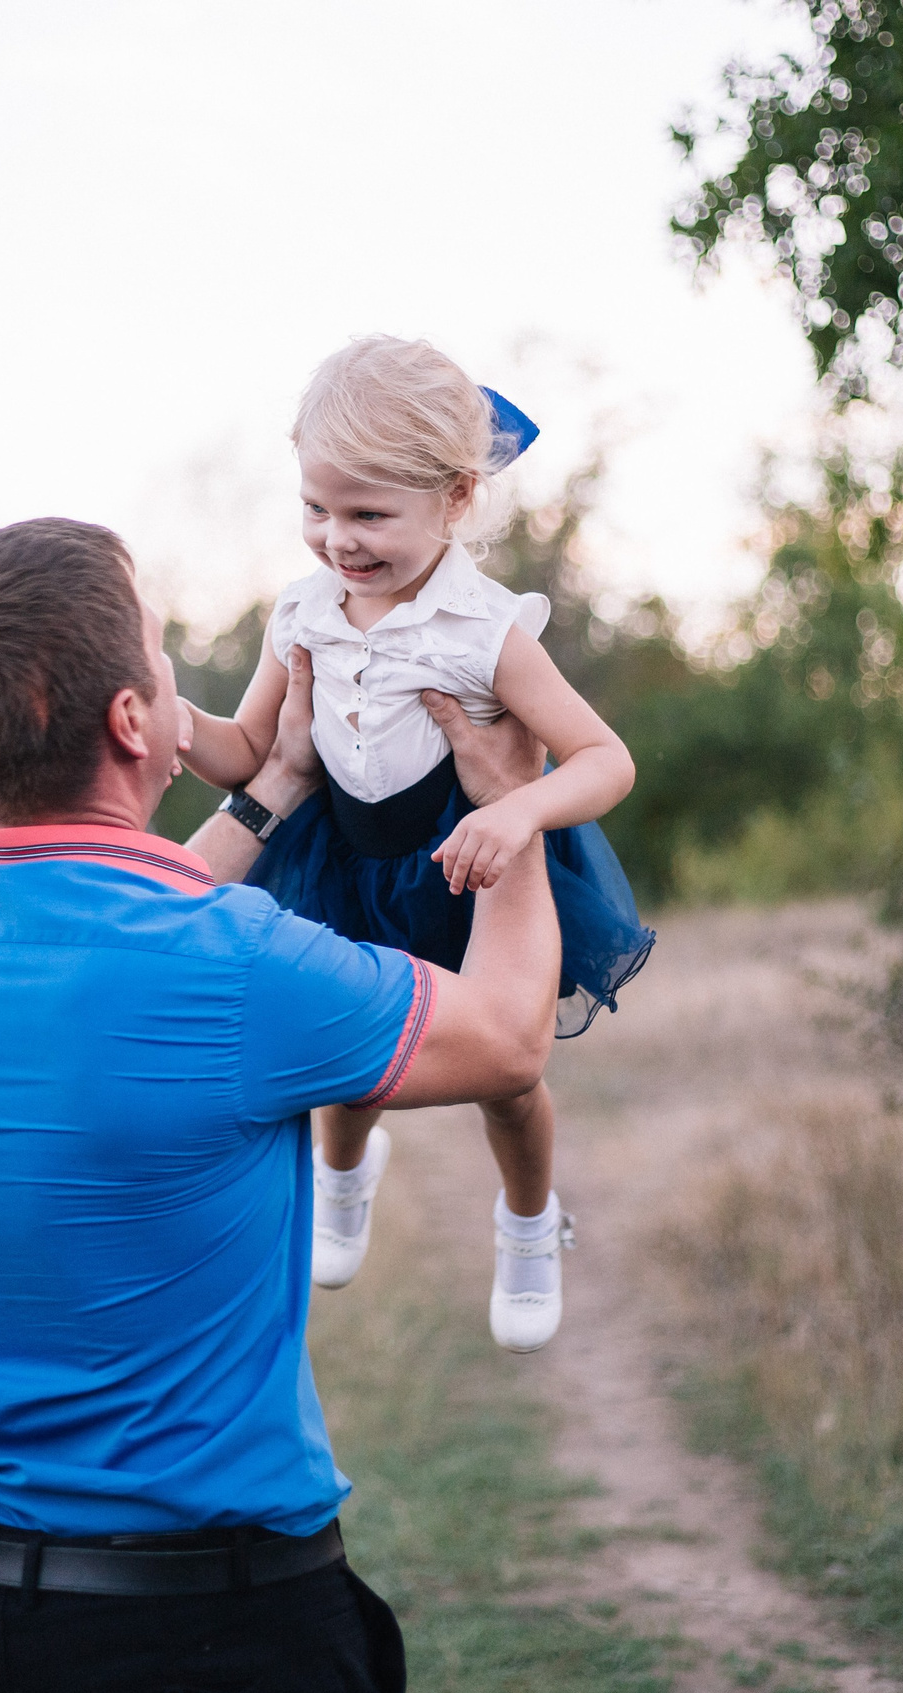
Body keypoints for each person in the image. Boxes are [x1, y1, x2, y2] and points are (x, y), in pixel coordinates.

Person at [0, 515, 559, 1693]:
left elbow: (115, 920)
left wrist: (273, 789)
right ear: (133, 721)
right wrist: (512, 809)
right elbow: (506, 1036)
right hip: (216, 1633)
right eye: (166, 659)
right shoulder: (231, 967)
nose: (182, 681)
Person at [181, 337, 655, 1353]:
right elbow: (249, 751)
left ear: (453, 500)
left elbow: (603, 759)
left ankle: (528, 1221)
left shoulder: (483, 631)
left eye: (366, 515)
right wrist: (178, 725)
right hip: (347, 859)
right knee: (339, 1049)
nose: (335, 540)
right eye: (315, 508)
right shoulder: (301, 612)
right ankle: (343, 1177)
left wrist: (517, 812)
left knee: (510, 1074)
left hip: (471, 862)